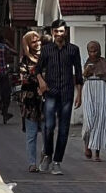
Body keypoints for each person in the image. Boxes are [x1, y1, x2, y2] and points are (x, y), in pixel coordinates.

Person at [36, 18, 83, 175]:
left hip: (67, 93)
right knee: (49, 127)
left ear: (66, 32)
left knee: (63, 129)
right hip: (51, 92)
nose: (58, 34)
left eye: (61, 31)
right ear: (52, 32)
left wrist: (79, 94)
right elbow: (37, 69)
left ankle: (57, 161)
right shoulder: (46, 50)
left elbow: (78, 72)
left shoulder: (73, 50)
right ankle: (48, 155)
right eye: (56, 31)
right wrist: (41, 82)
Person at [81, 41, 106, 161]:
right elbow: (80, 79)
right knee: (89, 120)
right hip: (88, 90)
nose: (93, 53)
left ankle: (97, 153)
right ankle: (87, 145)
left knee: (100, 121)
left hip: (102, 90)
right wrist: (86, 72)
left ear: (99, 50)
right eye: (90, 51)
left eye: (95, 51)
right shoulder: (84, 61)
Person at [18, 30, 44, 172]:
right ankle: (32, 163)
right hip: (30, 102)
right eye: (33, 41)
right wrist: (39, 81)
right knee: (31, 134)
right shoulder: (25, 60)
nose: (37, 43)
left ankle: (45, 157)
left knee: (48, 132)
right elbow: (23, 78)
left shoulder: (47, 57)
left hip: (46, 100)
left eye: (38, 40)